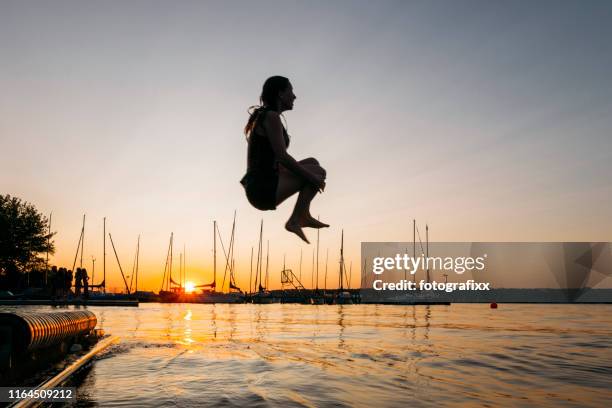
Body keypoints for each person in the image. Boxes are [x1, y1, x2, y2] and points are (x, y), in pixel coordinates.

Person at [240, 76, 328, 243]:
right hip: (261, 189)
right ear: (280, 94)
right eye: (291, 91)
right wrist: (313, 180)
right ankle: (295, 220)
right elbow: (282, 157)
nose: (294, 96)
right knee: (318, 172)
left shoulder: (267, 115)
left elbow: (275, 159)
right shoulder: (270, 116)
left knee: (313, 162)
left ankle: (302, 214)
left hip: (262, 181)